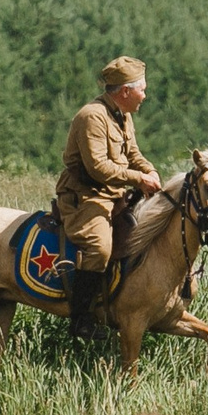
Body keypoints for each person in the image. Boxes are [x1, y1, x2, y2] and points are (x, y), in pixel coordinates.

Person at [54, 55, 161, 339]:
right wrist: (139, 179)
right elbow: (98, 168)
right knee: (100, 249)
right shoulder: (92, 116)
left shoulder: (122, 115)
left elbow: (133, 154)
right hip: (86, 197)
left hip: (114, 195)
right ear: (126, 91)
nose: (145, 95)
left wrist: (150, 171)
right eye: (142, 89)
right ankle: (80, 320)